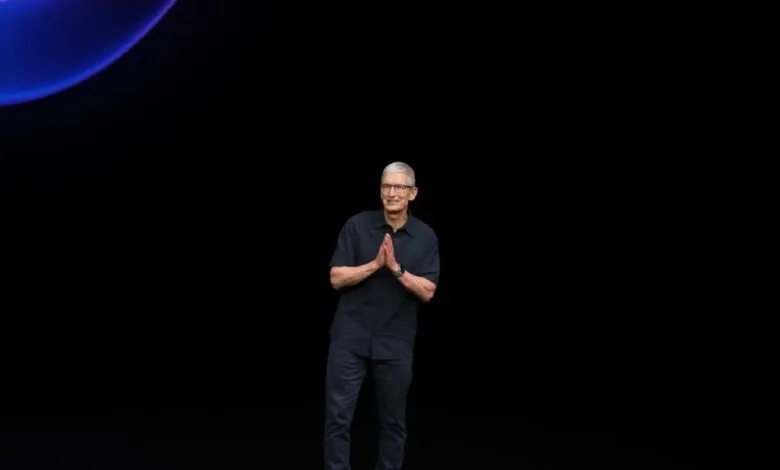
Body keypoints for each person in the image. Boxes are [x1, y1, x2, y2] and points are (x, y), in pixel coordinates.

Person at [324, 162, 441, 470]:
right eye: (386, 186)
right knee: (338, 418)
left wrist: (396, 269)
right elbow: (336, 278)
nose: (391, 193)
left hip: (395, 342)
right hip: (350, 339)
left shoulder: (425, 236)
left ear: (412, 193)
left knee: (393, 423)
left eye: (399, 187)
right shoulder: (357, 226)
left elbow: (428, 291)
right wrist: (375, 265)